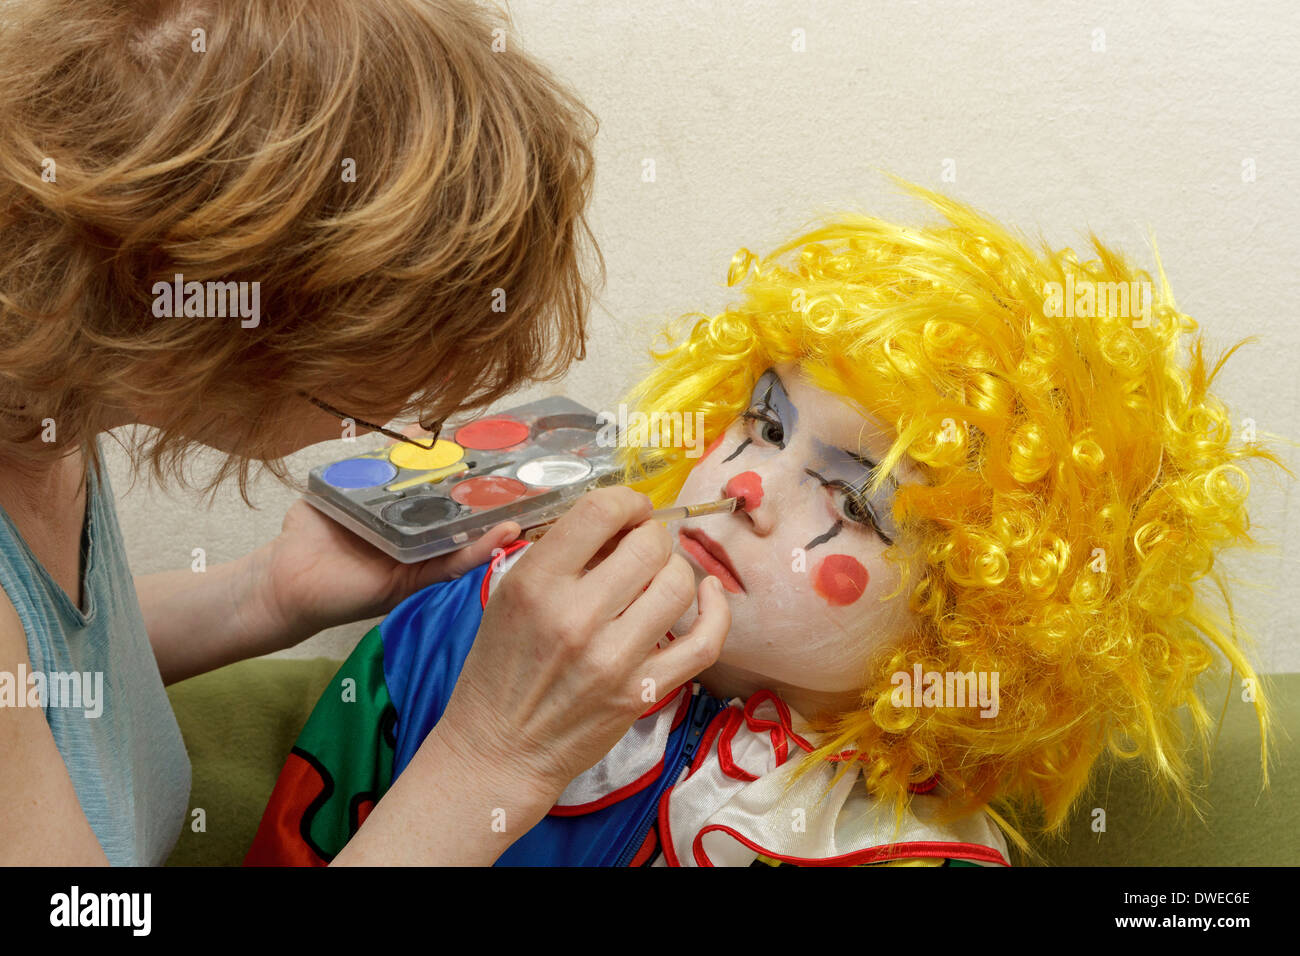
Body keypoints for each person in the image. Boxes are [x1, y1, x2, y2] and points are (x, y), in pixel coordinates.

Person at [247, 181, 1282, 866]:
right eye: (763, 420)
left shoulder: (907, 855)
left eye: (851, 497)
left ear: (973, 619)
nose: (746, 484)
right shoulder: (478, 623)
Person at [0, 0, 729, 866]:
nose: (415, 409)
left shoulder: (41, 403)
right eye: (397, 362)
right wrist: (493, 756)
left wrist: (265, 595)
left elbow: (49, 688)